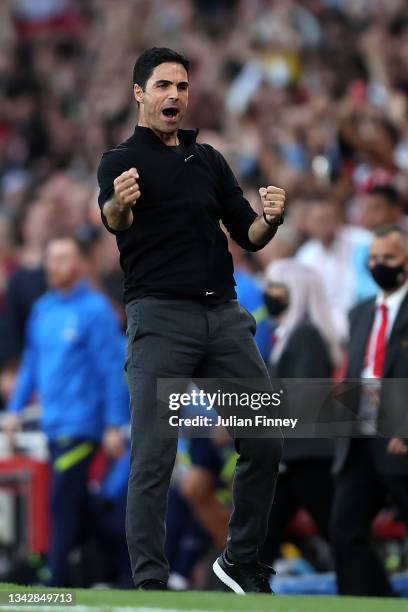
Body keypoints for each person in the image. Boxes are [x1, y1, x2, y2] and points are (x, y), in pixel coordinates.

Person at [97, 47, 285, 594]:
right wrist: (119, 204)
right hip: (159, 317)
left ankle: (241, 560)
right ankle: (151, 583)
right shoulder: (119, 161)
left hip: (223, 315)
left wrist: (271, 219)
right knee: (154, 453)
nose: (174, 94)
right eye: (162, 86)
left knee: (267, 436)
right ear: (139, 93)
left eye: (180, 85)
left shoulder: (209, 161)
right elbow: (114, 218)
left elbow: (249, 233)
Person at [3, 235, 129, 587]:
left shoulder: (95, 310)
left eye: (63, 258)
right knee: (80, 506)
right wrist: (14, 408)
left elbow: (110, 369)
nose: (54, 265)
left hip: (82, 423)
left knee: (60, 500)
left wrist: (114, 423)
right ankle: (128, 566)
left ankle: (54, 579)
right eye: (51, 258)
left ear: (80, 265)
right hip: (53, 422)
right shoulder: (43, 308)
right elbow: (30, 362)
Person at [330, 224, 408, 596]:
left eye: (388, 258)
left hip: (398, 435)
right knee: (345, 530)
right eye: (374, 258)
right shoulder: (359, 311)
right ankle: (373, 602)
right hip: (360, 436)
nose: (379, 264)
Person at [259, 260, 338, 567]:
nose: (269, 293)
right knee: (263, 530)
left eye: (275, 286)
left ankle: (369, 586)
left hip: (307, 453)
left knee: (337, 529)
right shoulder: (287, 335)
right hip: (292, 454)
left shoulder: (305, 336)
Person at [296, 198, 377, 339]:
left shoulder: (363, 240)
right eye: (317, 220)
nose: (324, 225)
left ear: (337, 217)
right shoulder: (305, 256)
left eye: (327, 218)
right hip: (325, 335)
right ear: (308, 224)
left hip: (366, 322)